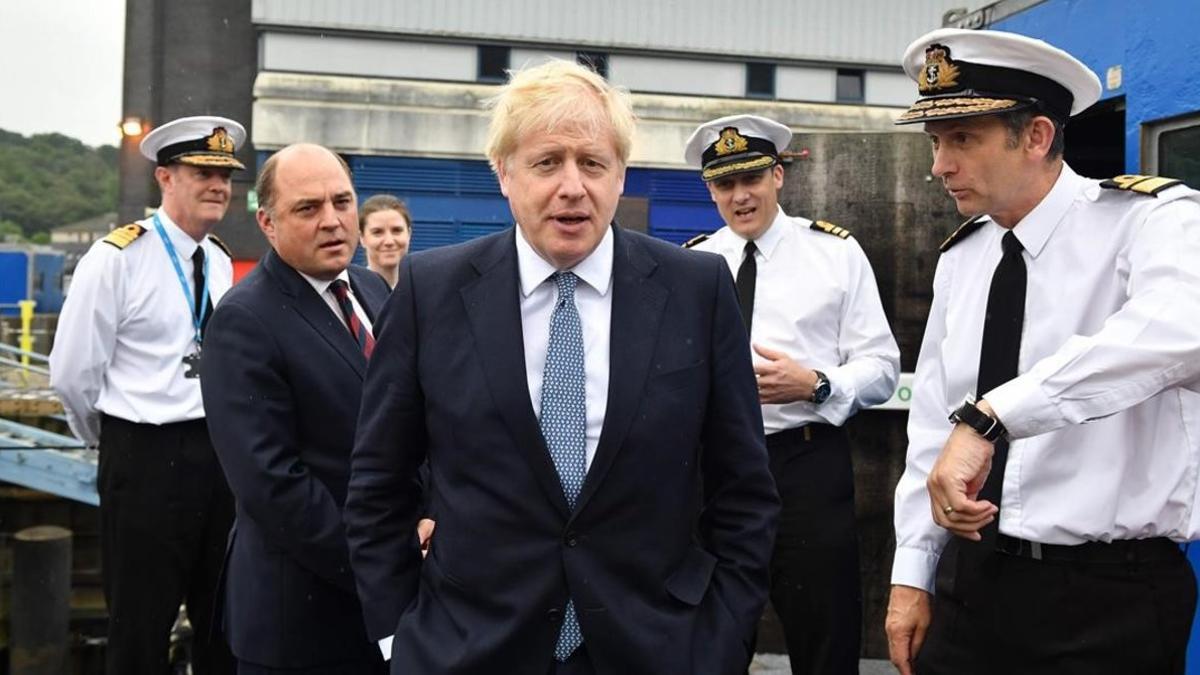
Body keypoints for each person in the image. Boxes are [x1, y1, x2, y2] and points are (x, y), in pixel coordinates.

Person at [343, 59, 780, 675]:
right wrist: (398, 634)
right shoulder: (431, 291)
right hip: (468, 650)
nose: (572, 186)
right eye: (547, 162)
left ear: (620, 174)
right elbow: (377, 485)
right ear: (504, 173)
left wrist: (723, 639)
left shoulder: (696, 289)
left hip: (658, 648)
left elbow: (743, 490)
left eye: (593, 163)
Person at [886, 28, 1200, 675]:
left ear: (1036, 137)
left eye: (963, 139)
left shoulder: (1151, 221)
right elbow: (931, 432)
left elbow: (1177, 326)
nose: (940, 165)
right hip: (973, 581)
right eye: (936, 142)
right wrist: (912, 572)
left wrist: (997, 414)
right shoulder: (963, 258)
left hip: (1109, 596)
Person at [683, 114, 900, 674]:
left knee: (823, 634)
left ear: (778, 176)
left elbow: (881, 366)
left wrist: (818, 384)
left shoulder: (833, 254)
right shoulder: (693, 262)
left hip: (804, 464)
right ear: (710, 190)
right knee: (710, 638)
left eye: (751, 179)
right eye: (724, 185)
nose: (740, 196)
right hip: (713, 473)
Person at [49, 115, 242, 675]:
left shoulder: (223, 261)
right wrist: (112, 441)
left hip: (218, 457)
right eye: (202, 171)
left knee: (221, 618)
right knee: (139, 625)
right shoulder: (116, 259)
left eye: (225, 175)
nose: (217, 186)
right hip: (144, 456)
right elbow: (72, 372)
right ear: (165, 177)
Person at [198, 143, 393, 674]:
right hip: (301, 621)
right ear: (267, 222)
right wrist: (378, 563)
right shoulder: (244, 320)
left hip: (384, 607)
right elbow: (272, 484)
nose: (332, 221)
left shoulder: (373, 290)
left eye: (342, 202)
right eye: (308, 209)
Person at [359, 193, 412, 288]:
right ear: (362, 238)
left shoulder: (425, 291)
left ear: (409, 234)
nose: (389, 241)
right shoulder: (352, 294)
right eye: (377, 232)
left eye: (397, 230)